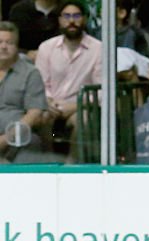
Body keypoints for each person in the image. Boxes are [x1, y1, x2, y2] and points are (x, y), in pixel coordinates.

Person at [35, 1, 101, 149]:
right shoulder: (46, 48)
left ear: (85, 18)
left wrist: (76, 105)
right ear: (59, 20)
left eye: (76, 16)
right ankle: (47, 163)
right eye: (66, 16)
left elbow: (101, 90)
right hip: (51, 106)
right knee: (40, 116)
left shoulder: (99, 49)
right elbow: (40, 84)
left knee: (82, 119)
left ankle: (72, 166)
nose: (71, 21)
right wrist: (49, 103)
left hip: (82, 108)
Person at [0, 21, 46, 162]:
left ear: (17, 46)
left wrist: (7, 138)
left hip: (17, 139)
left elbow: (34, 113)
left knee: (31, 142)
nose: (3, 47)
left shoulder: (30, 73)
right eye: (0, 42)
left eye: (9, 43)